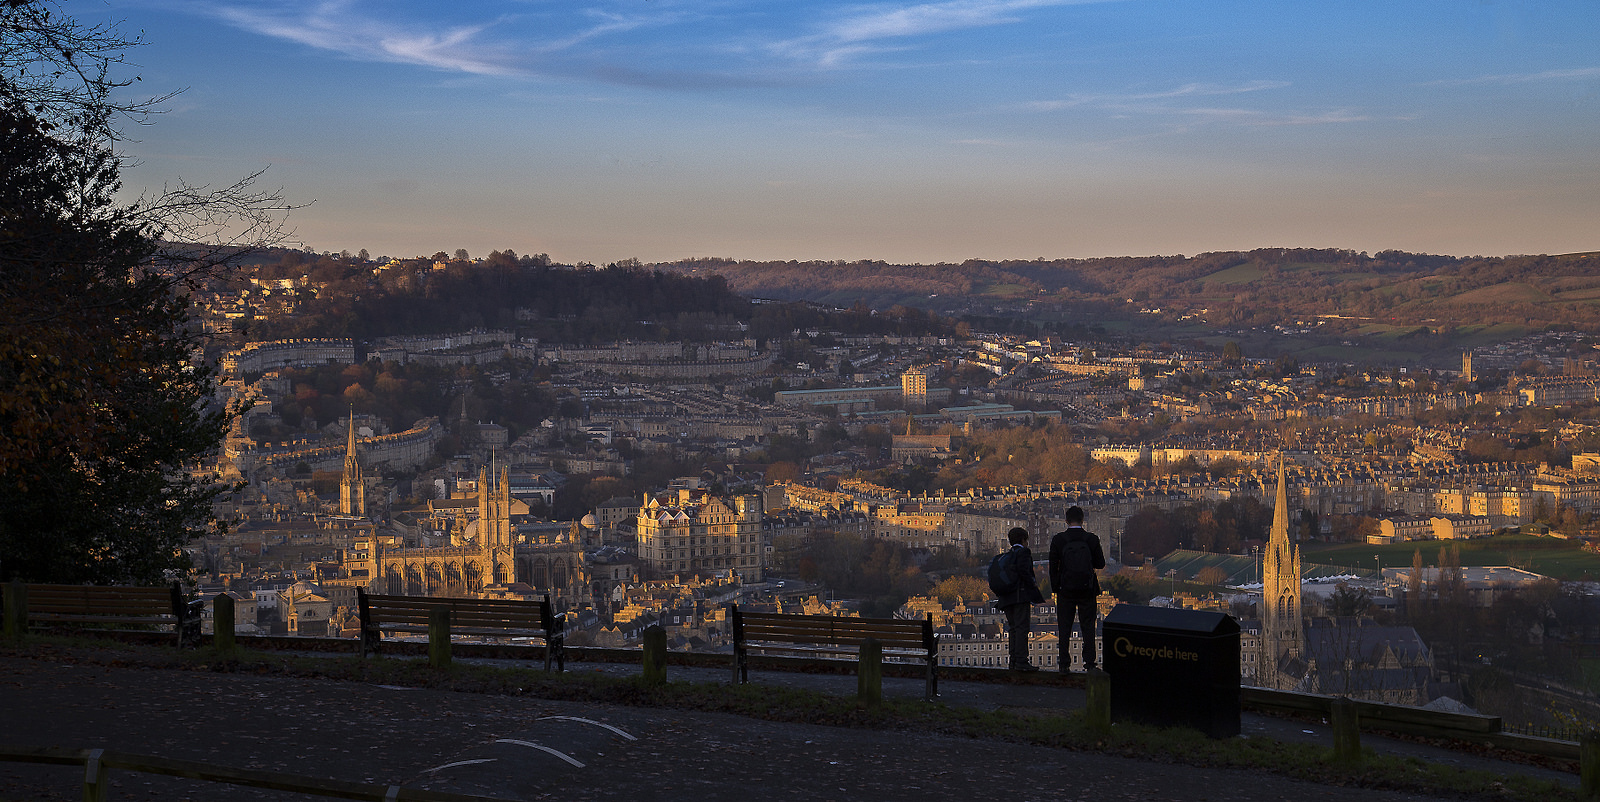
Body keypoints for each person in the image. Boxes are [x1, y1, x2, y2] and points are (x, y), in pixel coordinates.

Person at [1049, 506, 1106, 672]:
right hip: (1087, 589)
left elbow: (1052, 566)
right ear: (1082, 520)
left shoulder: (1059, 539)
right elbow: (1100, 563)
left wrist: (1056, 588)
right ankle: (1089, 663)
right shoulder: (1091, 539)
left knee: (1064, 627)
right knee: (1088, 626)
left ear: (1066, 521)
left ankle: (1064, 664)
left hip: (1065, 590)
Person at [996, 526, 1045, 671]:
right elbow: (1025, 572)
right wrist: (1032, 586)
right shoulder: (1024, 552)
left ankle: (1013, 661)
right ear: (1024, 540)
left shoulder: (1006, 555)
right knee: (1022, 628)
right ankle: (1022, 661)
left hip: (1006, 598)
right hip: (1019, 597)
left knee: (1013, 629)